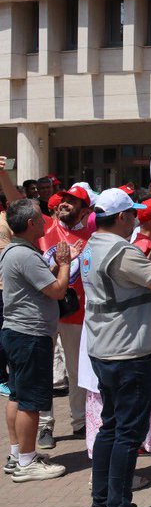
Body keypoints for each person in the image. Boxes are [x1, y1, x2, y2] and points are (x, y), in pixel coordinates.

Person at [81, 188, 151, 507]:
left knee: (111, 427)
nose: (137, 219)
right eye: (133, 214)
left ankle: (102, 506)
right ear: (121, 217)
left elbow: (136, 279)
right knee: (128, 434)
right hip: (127, 352)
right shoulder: (119, 250)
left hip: (107, 349)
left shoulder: (93, 245)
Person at [0, 199, 71, 481]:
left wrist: (56, 266)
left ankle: (19, 454)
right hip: (29, 334)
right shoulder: (24, 255)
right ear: (31, 224)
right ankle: (27, 462)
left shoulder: (15, 252)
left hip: (20, 332)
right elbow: (56, 291)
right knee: (30, 399)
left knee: (18, 394)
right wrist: (65, 264)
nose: (46, 223)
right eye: (42, 219)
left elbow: (40, 285)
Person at [34, 182, 94, 449]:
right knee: (44, 370)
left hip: (77, 313)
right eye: (63, 200)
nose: (66, 203)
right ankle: (45, 424)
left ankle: (79, 421)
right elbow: (14, 202)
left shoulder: (93, 234)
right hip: (44, 311)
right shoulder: (44, 227)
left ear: (84, 209)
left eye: (73, 201)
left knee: (76, 370)